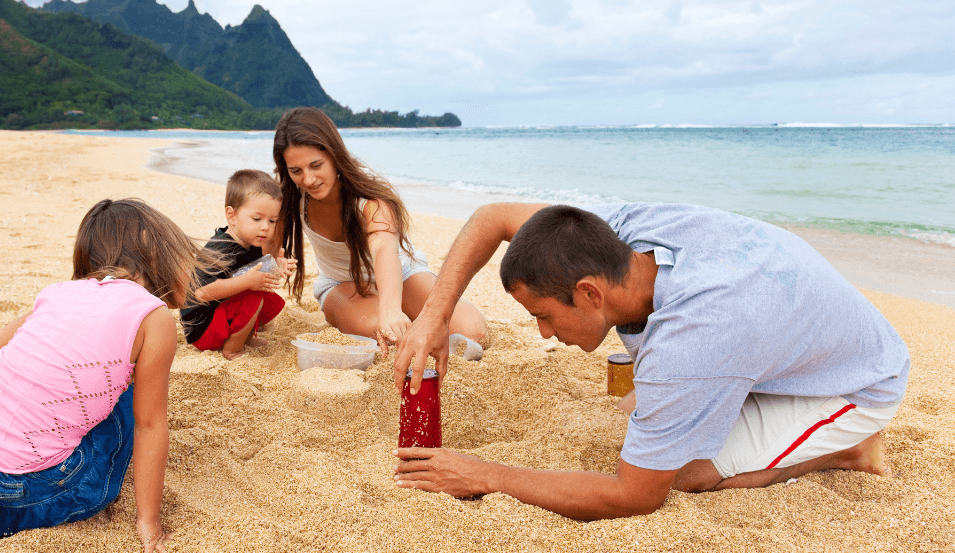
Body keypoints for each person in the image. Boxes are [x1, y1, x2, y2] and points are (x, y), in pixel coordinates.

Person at [392, 202, 910, 520]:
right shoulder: (616, 231)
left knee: (684, 473)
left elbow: (634, 497)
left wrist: (487, 475)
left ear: (589, 292)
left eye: (545, 315)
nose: (542, 332)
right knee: (638, 417)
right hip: (776, 336)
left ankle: (851, 448)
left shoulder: (695, 340)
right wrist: (433, 316)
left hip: (853, 381)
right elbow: (493, 217)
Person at [0, 198, 210, 551]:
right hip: (19, 497)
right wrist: (150, 523)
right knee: (128, 398)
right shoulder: (153, 318)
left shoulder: (56, 293)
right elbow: (150, 426)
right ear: (150, 243)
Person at [272, 106, 486, 352]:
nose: (308, 180)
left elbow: (385, 251)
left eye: (316, 165)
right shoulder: (288, 200)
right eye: (296, 171)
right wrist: (271, 258)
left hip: (402, 273)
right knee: (387, 336)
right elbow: (264, 243)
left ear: (334, 155)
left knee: (473, 331)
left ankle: (402, 314)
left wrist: (392, 309)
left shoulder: (370, 202)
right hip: (341, 283)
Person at [180, 169, 296, 359]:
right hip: (203, 330)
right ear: (232, 216)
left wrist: (277, 266)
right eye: (257, 219)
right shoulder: (221, 250)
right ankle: (232, 349)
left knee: (266, 295)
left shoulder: (249, 241)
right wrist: (247, 282)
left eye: (272, 220)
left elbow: (251, 272)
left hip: (219, 315)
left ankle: (245, 337)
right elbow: (201, 293)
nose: (265, 227)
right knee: (253, 297)